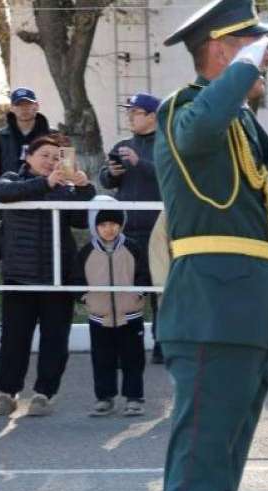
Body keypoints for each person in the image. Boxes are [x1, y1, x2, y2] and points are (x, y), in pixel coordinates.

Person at [153, 1, 268, 491]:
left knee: (219, 481)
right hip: (209, 312)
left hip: (245, 315)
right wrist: (246, 63)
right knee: (196, 479)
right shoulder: (185, 107)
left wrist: (248, 63)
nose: (266, 57)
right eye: (257, 46)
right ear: (220, 48)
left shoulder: (243, 124)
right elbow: (198, 129)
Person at [0, 134, 93, 418]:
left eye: (56, 157)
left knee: (55, 339)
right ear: (28, 157)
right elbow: (1, 194)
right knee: (13, 339)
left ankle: (44, 394)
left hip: (58, 276)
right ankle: (7, 393)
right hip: (19, 276)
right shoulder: (11, 179)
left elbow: (81, 220)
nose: (50, 161)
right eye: (44, 155)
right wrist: (44, 184)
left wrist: (84, 188)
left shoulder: (63, 188)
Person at [99, 92, 165, 363]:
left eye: (135, 112)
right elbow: (105, 180)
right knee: (125, 291)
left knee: (160, 290)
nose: (129, 116)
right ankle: (126, 346)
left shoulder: (166, 145)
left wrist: (140, 163)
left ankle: (162, 344)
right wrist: (112, 173)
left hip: (158, 231)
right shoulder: (123, 144)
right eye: (129, 112)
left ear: (152, 116)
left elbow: (170, 178)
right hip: (126, 230)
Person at [75, 199, 150, 417]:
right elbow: (76, 278)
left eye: (114, 224)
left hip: (130, 314)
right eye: (104, 224)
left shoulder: (132, 248)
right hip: (100, 316)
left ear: (121, 225)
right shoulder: (87, 251)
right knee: (102, 359)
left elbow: (144, 274)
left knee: (133, 358)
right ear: (95, 227)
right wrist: (85, 298)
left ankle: (134, 398)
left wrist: (139, 293)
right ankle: (104, 398)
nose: (109, 229)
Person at [0, 87, 52, 192]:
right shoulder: (0, 137)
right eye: (19, 105)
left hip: (46, 195)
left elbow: (66, 166)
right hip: (11, 196)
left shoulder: (54, 136)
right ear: (12, 108)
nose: (24, 108)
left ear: (36, 106)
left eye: (28, 104)